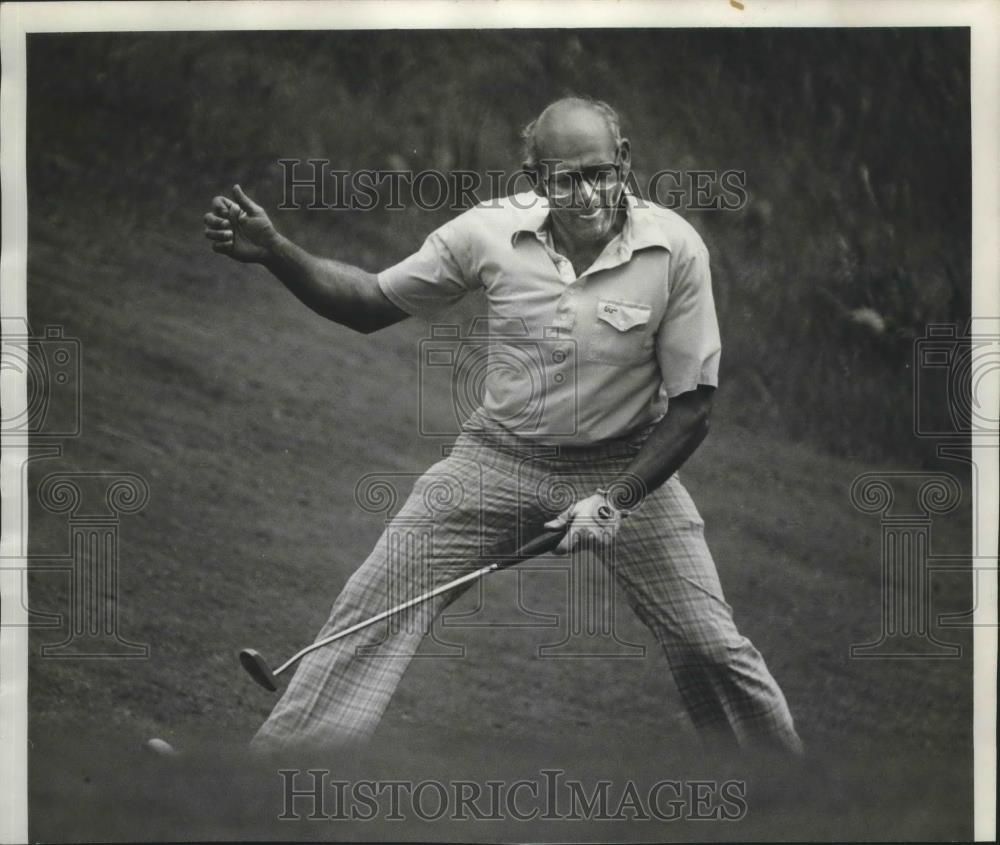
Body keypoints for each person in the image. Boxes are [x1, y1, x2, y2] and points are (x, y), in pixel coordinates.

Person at [203, 96, 803, 755]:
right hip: (495, 458)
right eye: (565, 178)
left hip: (628, 467)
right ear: (535, 176)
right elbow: (370, 303)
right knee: (374, 600)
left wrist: (614, 499)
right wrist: (278, 252)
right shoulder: (486, 233)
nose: (587, 193)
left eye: (600, 171)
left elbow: (694, 408)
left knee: (709, 645)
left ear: (625, 161)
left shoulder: (676, 250)